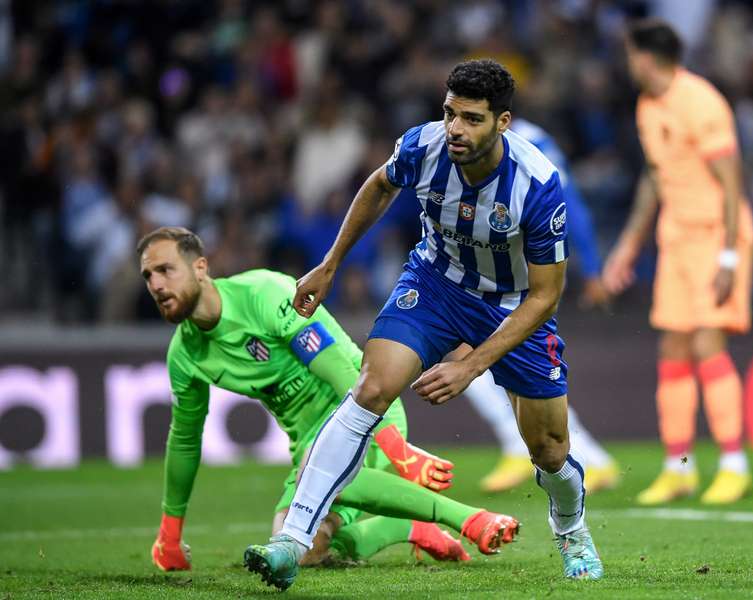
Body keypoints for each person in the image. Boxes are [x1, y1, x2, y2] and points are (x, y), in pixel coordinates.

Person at [244, 59, 604, 589]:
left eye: (472, 119)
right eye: (450, 114)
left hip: (511, 303)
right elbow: (379, 186)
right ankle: (294, 539)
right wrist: (331, 263)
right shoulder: (424, 145)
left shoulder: (537, 184)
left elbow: (547, 296)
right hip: (435, 284)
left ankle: (571, 529)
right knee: (372, 386)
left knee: (549, 450)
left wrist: (472, 365)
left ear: (502, 122)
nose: (455, 129)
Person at [138, 226, 520, 581]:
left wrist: (398, 450)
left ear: (200, 267)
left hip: (367, 415)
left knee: (319, 460)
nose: (156, 285)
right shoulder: (185, 355)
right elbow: (185, 441)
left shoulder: (264, 295)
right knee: (303, 549)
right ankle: (406, 528)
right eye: (148, 276)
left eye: (165, 270)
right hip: (307, 443)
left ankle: (470, 519)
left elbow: (342, 373)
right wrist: (170, 534)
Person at [602, 19, 753, 505]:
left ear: (646, 57)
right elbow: (655, 177)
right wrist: (629, 244)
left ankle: (734, 463)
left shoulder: (701, 101)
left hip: (716, 234)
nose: (628, 64)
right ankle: (679, 468)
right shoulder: (648, 106)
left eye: (631, 55)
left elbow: (731, 181)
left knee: (708, 342)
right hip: (677, 238)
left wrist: (729, 255)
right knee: (673, 349)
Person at [460, 117, 619, 494]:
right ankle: (578, 456)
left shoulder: (532, 144)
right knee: (485, 359)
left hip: (526, 275)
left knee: (505, 362)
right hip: (483, 273)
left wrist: (593, 269)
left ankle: (566, 455)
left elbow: (570, 204)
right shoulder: (453, 141)